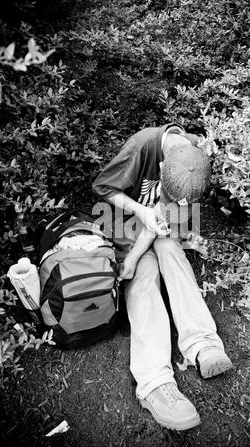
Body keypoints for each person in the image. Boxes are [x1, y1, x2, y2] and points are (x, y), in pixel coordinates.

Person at [92, 123, 233, 431]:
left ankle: (202, 343)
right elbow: (102, 187)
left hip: (156, 225)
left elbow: (165, 215)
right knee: (144, 273)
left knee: (171, 252)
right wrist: (135, 242)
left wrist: (169, 229)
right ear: (162, 165)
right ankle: (154, 381)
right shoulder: (144, 146)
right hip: (120, 224)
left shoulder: (192, 157)